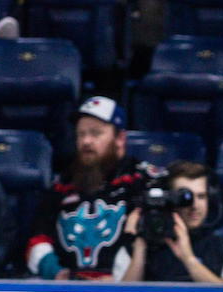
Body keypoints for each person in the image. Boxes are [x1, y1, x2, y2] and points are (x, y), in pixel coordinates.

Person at [25, 97, 159, 280]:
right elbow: (37, 238)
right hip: (67, 288)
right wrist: (57, 274)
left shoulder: (142, 181)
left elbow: (156, 239)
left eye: (96, 133)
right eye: (81, 134)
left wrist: (121, 279)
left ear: (120, 138)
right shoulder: (62, 184)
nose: (86, 141)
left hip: (126, 288)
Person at [116, 160, 223, 284]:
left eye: (201, 196)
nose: (194, 205)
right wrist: (139, 251)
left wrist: (188, 259)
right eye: (185, 197)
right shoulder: (131, 250)